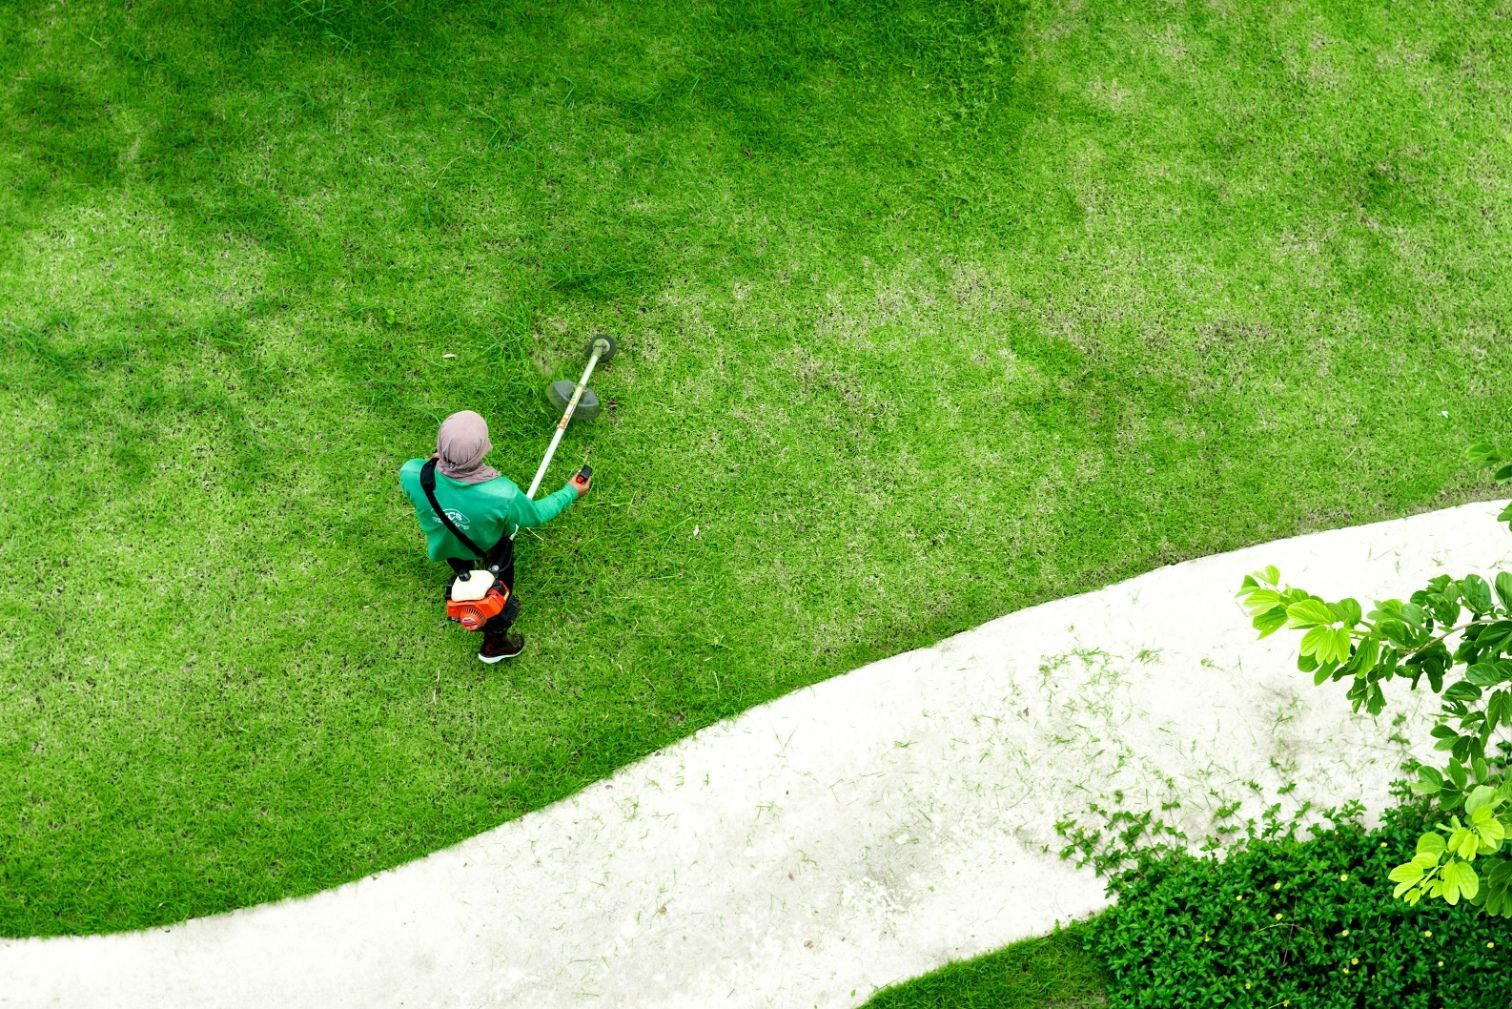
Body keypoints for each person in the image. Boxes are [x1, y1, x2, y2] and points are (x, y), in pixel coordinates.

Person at [399, 410, 588, 663]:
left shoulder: (412, 473)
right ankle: (494, 644)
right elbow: (536, 515)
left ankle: (465, 577)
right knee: (497, 597)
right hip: (492, 547)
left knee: (461, 568)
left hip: (447, 548)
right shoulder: (501, 493)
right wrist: (570, 491)